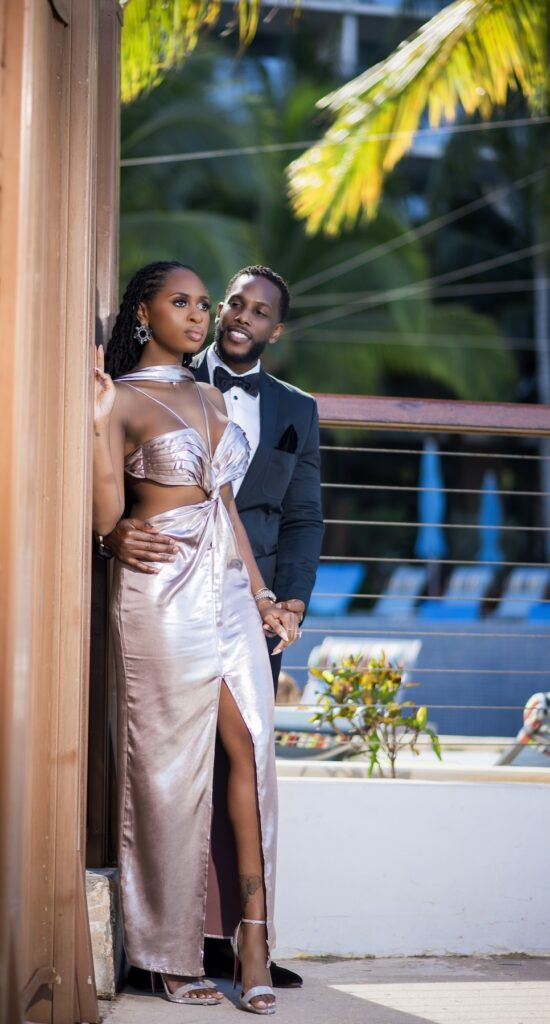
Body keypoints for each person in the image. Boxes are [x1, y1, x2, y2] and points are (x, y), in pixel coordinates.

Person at [108, 265, 324, 989]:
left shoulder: (234, 400)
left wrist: (271, 597)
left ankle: (253, 939)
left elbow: (251, 509)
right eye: (189, 302)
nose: (207, 316)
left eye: (208, 304)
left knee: (254, 747)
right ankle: (171, 950)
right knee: (169, 766)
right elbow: (98, 498)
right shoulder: (112, 398)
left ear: (274, 326)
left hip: (234, 588)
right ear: (145, 312)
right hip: (164, 587)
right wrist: (109, 535)